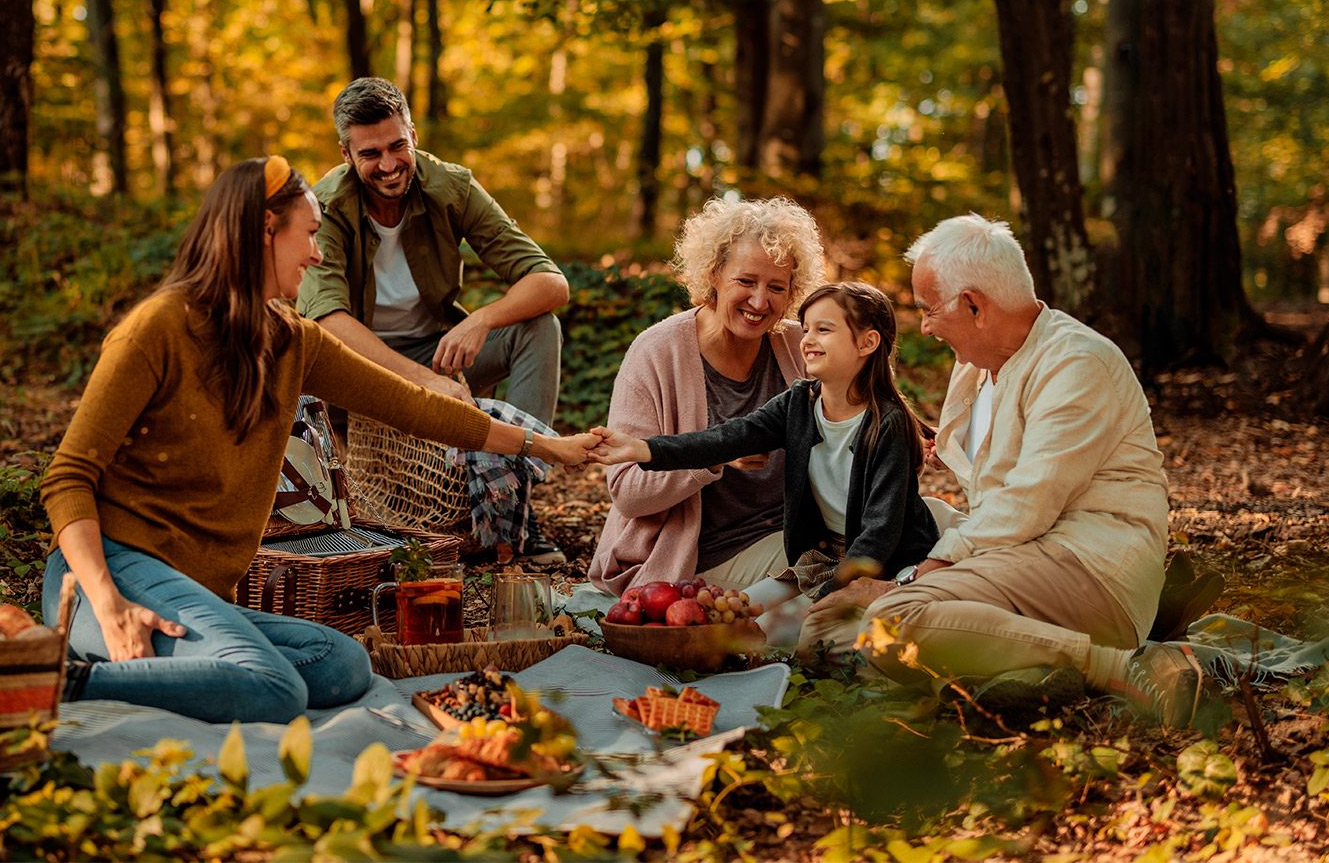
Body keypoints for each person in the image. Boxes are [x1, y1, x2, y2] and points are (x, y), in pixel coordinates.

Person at [40, 156, 596, 724]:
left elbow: (416, 408)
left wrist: (545, 446)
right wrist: (108, 605)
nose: (318, 252)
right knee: (276, 689)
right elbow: (68, 478)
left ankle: (182, 672)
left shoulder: (291, 343)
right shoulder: (157, 327)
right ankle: (57, 678)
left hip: (196, 593)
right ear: (263, 230)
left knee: (342, 664)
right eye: (308, 234)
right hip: (110, 571)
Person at [801, 215, 1202, 726]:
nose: (923, 326)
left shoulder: (1077, 363)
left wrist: (905, 583)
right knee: (838, 639)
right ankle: (1032, 670)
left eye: (928, 310)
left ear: (974, 305)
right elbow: (993, 480)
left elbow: (1026, 506)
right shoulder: (977, 362)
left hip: (1089, 567)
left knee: (889, 624)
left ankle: (1131, 666)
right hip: (1021, 557)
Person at [296, 78, 569, 563]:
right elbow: (328, 322)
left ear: (414, 136)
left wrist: (483, 318)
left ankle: (511, 509)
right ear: (345, 153)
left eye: (397, 145)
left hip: (436, 349)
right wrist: (425, 384)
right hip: (357, 366)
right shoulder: (328, 207)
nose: (387, 164)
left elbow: (549, 282)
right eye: (369, 153)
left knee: (538, 326)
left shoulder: (451, 187)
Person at [592, 283, 941, 641]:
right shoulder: (798, 404)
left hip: (884, 564)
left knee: (795, 635)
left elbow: (879, 533)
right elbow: (725, 439)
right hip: (823, 557)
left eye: (824, 329)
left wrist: (825, 598)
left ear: (867, 344)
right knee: (725, 625)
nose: (807, 339)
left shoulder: (888, 424)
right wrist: (641, 450)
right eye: (805, 328)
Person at [588, 196, 826, 596]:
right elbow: (628, 493)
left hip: (794, 533)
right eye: (746, 281)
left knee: (930, 520)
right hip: (697, 557)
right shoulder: (657, 353)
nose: (759, 301)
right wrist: (715, 455)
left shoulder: (796, 345)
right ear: (714, 274)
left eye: (776, 287)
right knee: (849, 566)